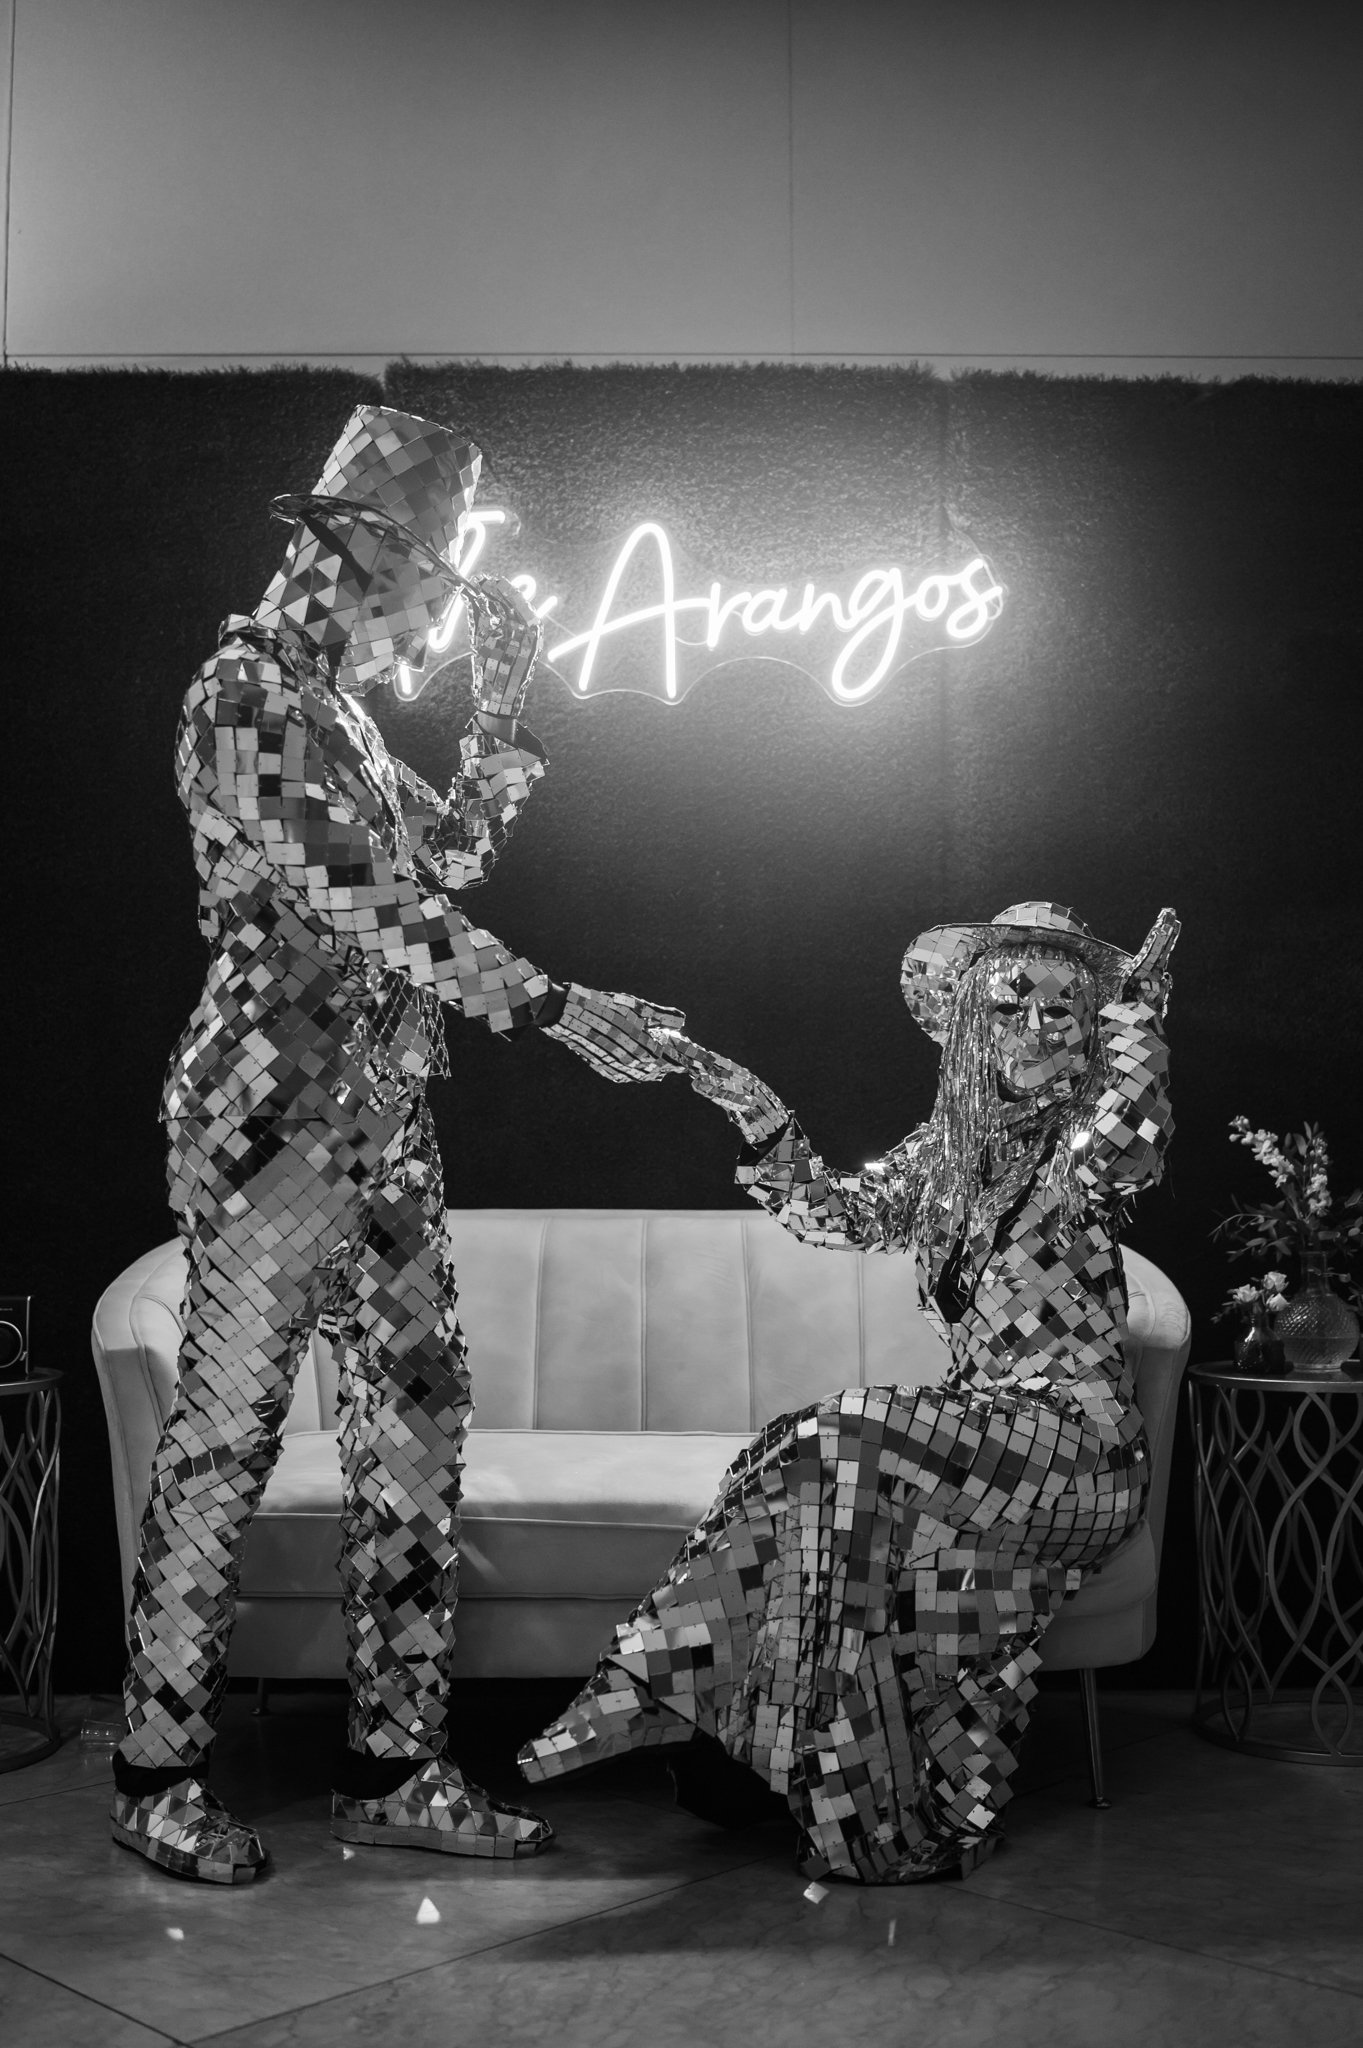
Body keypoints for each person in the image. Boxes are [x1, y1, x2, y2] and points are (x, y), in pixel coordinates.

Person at [112, 405, 684, 1885]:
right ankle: (157, 1771)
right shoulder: (243, 698)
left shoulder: (349, 717)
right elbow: (387, 913)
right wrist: (556, 1006)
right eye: (434, 587)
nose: (434, 620)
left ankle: (397, 1764)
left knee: (416, 1445)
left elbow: (441, 869)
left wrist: (507, 729)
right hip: (262, 1123)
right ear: (361, 553)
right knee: (223, 1446)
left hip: (380, 1123)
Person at [520, 900, 1178, 1884]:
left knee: (853, 1426)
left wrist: (1137, 1024)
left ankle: (665, 1691)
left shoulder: (1088, 1145)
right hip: (981, 1439)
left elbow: (1123, 1141)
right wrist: (756, 1111)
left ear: (1091, 1026)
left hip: (1076, 1449)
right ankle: (766, 1754)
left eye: (1062, 1010)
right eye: (1010, 1007)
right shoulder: (948, 1153)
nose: (1036, 1028)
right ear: (970, 1026)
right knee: (804, 1447)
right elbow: (838, 1214)